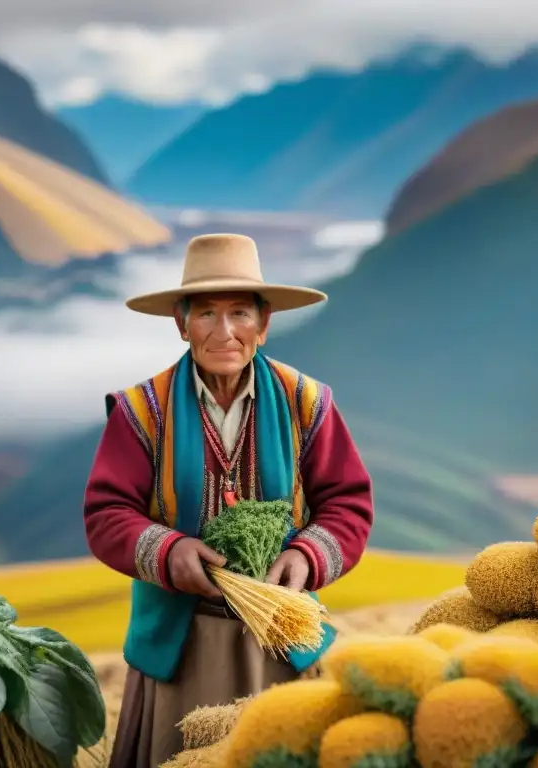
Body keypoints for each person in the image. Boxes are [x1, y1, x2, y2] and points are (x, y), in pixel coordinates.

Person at [83, 233, 374, 768]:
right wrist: (169, 552)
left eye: (240, 313)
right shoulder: (140, 412)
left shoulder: (307, 403)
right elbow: (107, 514)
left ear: (263, 325)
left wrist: (305, 557)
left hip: (279, 638)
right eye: (206, 315)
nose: (224, 332)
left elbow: (347, 503)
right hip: (180, 643)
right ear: (181, 322)